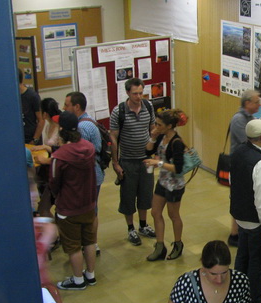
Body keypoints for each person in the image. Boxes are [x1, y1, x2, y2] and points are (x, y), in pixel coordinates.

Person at [230, 119, 261, 303]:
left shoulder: (238, 152)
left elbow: (234, 182)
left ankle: (237, 293)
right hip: (256, 221)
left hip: (240, 215)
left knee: (242, 256)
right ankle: (254, 300)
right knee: (258, 262)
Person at [51, 112, 98, 290]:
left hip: (68, 208)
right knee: (89, 241)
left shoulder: (59, 156)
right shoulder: (89, 148)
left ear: (61, 129)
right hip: (89, 204)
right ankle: (91, 275)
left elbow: (54, 183)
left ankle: (78, 280)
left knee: (73, 246)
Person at [109, 78, 156, 246]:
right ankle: (131, 228)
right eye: (135, 93)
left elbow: (152, 129)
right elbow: (113, 138)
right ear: (128, 93)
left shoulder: (148, 106)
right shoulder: (119, 111)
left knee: (145, 194)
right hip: (128, 161)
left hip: (146, 161)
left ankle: (143, 225)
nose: (139, 97)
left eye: (141, 93)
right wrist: (116, 163)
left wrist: (154, 153)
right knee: (128, 197)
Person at [143, 109, 188, 261]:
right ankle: (160, 246)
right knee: (155, 212)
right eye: (156, 123)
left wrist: (158, 163)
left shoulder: (177, 142)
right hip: (163, 181)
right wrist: (153, 137)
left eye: (159, 124)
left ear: (169, 126)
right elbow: (148, 151)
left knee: (173, 215)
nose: (156, 127)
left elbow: (178, 168)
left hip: (174, 184)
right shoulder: (161, 136)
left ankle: (178, 244)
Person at [65, 91, 105, 253]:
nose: (64, 108)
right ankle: (91, 242)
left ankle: (91, 243)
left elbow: (78, 155)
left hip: (90, 176)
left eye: (67, 105)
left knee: (89, 212)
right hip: (95, 174)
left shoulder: (81, 127)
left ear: (76, 107)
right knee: (92, 210)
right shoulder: (89, 120)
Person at [227, 89, 261, 248]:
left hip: (247, 165)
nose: (259, 104)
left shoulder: (251, 118)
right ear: (248, 103)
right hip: (239, 167)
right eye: (256, 102)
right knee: (238, 198)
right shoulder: (239, 120)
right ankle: (234, 234)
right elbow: (248, 142)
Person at [31, 98, 61, 218]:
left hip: (55, 168)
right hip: (46, 168)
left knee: (44, 207)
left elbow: (59, 150)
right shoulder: (48, 125)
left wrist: (44, 147)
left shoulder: (60, 127)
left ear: (45, 113)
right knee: (44, 206)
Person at [19, 68, 44, 144]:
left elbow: (41, 120)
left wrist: (34, 140)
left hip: (31, 139)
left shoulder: (32, 96)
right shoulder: (12, 96)